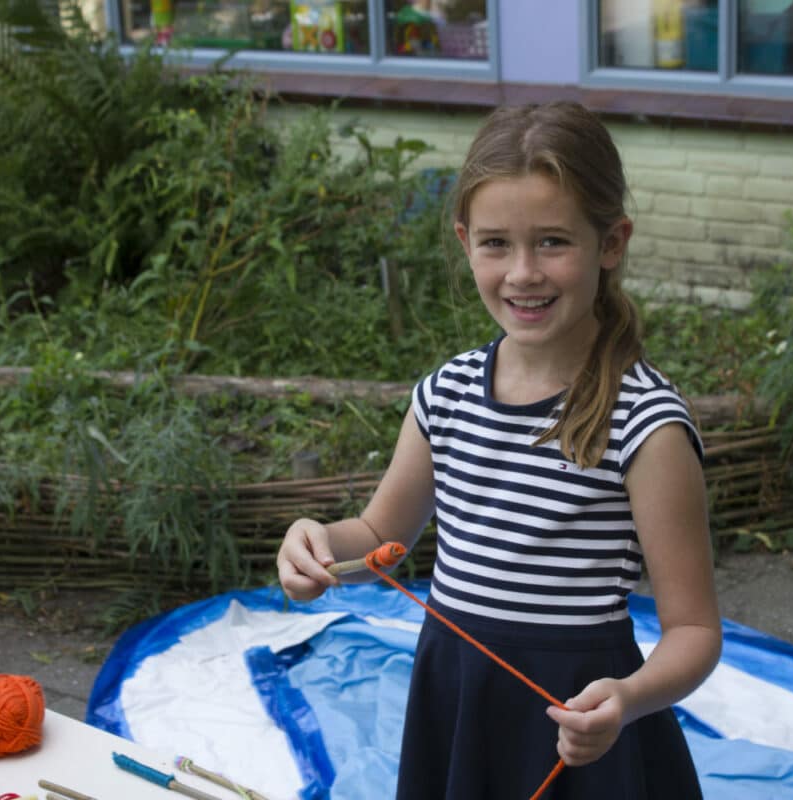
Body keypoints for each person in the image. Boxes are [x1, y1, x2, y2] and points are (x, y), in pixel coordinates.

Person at [277, 100, 721, 799]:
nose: (523, 273)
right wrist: (317, 544)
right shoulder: (447, 394)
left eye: (552, 242)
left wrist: (629, 700)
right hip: (458, 708)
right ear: (464, 242)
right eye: (495, 244)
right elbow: (377, 535)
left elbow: (693, 628)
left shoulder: (646, 424)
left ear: (612, 243)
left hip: (577, 729)